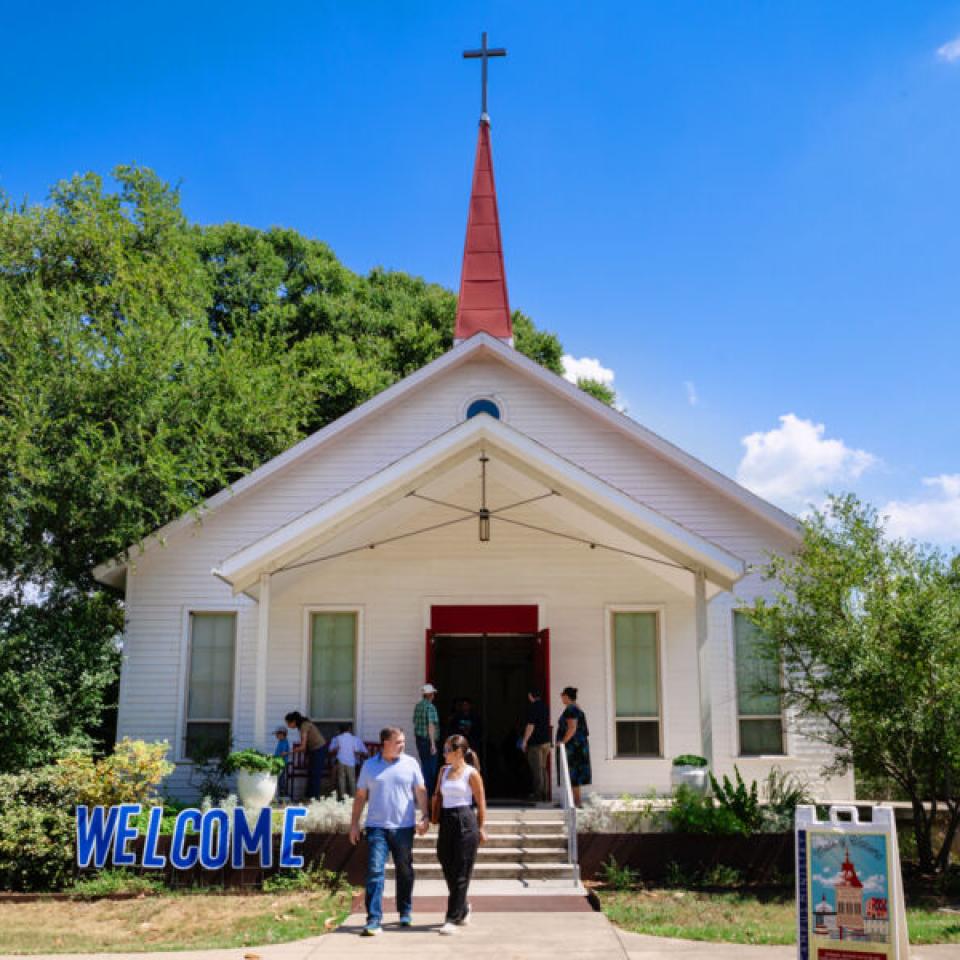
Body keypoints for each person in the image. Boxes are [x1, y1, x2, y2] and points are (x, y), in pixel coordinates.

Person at [350, 727, 429, 937]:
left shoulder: (411, 763)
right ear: (385, 742)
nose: (402, 745)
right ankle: (374, 919)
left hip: (404, 827)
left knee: (404, 870)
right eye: (398, 742)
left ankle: (405, 911)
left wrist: (425, 816)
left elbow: (420, 791)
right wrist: (354, 823)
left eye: (403, 741)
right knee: (375, 871)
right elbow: (360, 796)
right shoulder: (369, 765)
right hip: (377, 827)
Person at [434, 734, 487, 935]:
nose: (444, 754)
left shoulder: (471, 773)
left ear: (458, 752)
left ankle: (452, 918)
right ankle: (462, 906)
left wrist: (482, 827)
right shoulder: (443, 771)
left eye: (447, 750)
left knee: (462, 869)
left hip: (466, 819)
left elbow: (481, 802)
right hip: (447, 820)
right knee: (445, 859)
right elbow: (437, 795)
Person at [558, 687, 591, 807]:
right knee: (574, 774)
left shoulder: (571, 709)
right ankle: (575, 801)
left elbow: (572, 728)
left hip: (574, 747)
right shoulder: (576, 707)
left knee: (574, 774)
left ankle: (576, 802)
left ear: (566, 696)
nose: (561, 697)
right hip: (578, 745)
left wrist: (562, 741)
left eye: (562, 694)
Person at [286, 711, 326, 800]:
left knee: (315, 774)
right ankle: (309, 797)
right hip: (313, 750)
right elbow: (306, 744)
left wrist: (289, 752)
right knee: (311, 774)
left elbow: (303, 746)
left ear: (294, 721)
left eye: (289, 723)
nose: (288, 726)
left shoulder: (304, 726)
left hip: (319, 749)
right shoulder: (301, 727)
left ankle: (314, 799)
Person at [520, 688, 551, 802]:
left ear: (530, 696)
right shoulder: (546, 707)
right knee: (543, 768)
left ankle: (538, 795)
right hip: (546, 742)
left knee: (536, 769)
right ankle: (545, 794)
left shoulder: (533, 707)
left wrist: (524, 741)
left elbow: (530, 726)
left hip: (536, 743)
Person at [329, 722, 368, 801]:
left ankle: (342, 797)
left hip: (340, 761)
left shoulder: (337, 738)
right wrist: (357, 753)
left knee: (341, 779)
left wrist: (336, 749)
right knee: (352, 779)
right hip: (351, 762)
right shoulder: (354, 739)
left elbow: (330, 751)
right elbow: (361, 752)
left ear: (340, 730)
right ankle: (353, 797)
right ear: (349, 730)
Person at [413, 683, 440, 796]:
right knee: (431, 768)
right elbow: (431, 725)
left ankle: (423, 791)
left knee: (424, 765)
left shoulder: (418, 706)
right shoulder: (430, 707)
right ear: (429, 695)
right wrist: (433, 744)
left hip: (420, 740)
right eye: (433, 693)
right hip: (428, 741)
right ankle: (429, 794)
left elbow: (415, 722)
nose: (434, 695)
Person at [273, 726, 290, 799]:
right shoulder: (280, 741)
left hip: (282, 763)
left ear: (282, 734)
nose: (276, 736)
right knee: (279, 778)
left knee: (281, 779)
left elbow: (283, 753)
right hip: (278, 762)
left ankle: (282, 794)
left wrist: (276, 758)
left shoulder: (284, 742)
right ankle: (280, 794)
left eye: (277, 734)